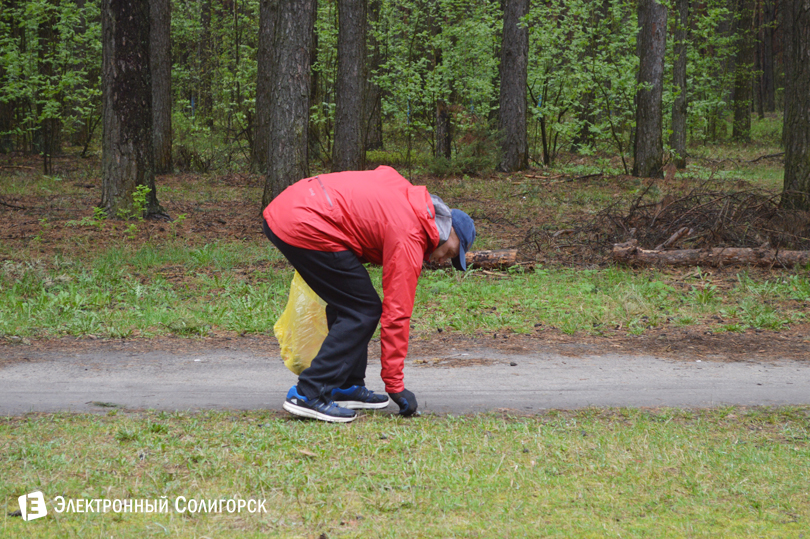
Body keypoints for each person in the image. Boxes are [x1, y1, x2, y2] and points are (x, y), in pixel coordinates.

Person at [263, 166, 475, 423]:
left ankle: (344, 386)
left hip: (297, 207)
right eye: (451, 254)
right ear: (448, 230)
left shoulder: (411, 204)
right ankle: (309, 392)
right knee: (362, 309)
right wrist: (395, 386)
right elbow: (396, 314)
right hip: (305, 221)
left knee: (350, 302)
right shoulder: (410, 233)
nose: (443, 261)